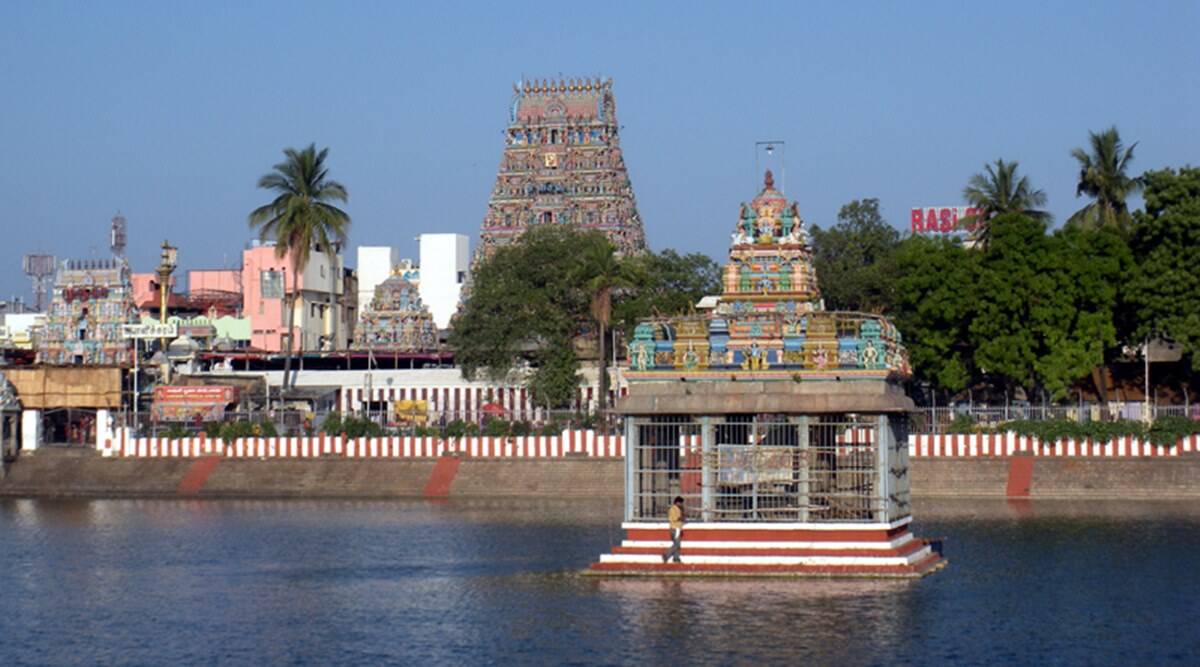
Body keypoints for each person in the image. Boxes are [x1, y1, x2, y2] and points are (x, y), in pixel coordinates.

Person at [662, 496, 685, 563]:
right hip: (675, 528)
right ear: (677, 502)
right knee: (677, 544)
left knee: (677, 543)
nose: (681, 504)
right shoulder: (673, 509)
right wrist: (681, 518)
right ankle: (666, 555)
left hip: (677, 528)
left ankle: (676, 558)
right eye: (681, 503)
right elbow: (674, 518)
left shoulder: (678, 509)